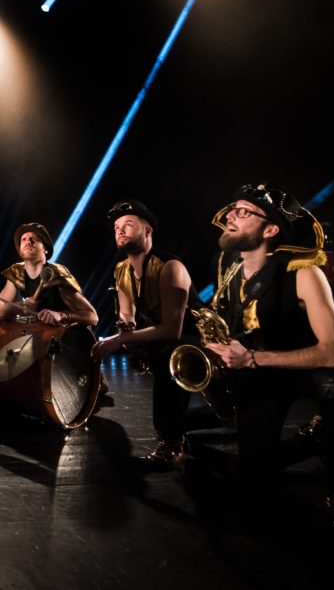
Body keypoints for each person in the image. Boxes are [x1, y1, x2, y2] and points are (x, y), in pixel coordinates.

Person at [202, 182, 334, 568]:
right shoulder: (225, 265)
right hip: (258, 373)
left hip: (302, 367)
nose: (230, 215)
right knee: (255, 475)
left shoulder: (304, 272)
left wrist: (252, 360)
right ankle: (310, 442)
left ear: (270, 229)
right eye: (232, 208)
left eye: (244, 211)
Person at [91, 199, 202, 469]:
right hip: (161, 337)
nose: (120, 230)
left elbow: (173, 329)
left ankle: (171, 443)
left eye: (128, 224)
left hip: (193, 340)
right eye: (116, 227)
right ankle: (183, 426)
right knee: (155, 355)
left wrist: (122, 339)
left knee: (168, 357)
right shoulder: (121, 270)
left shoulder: (169, 266)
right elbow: (126, 313)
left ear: (148, 230)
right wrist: (126, 332)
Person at [0, 222, 98, 327]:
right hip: (33, 333)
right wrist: (22, 305)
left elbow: (93, 317)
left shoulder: (57, 276)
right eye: (23, 239)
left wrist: (61, 315)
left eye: (35, 239)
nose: (28, 242)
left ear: (46, 249)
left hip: (60, 335)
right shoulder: (17, 273)